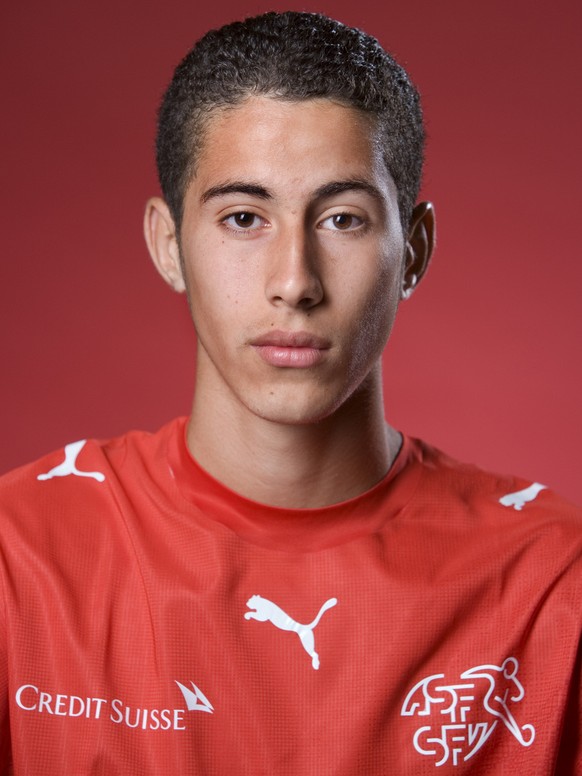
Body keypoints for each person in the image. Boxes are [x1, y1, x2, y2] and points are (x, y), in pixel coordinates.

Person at [0, 11, 579, 775]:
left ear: (414, 250)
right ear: (169, 245)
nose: (294, 282)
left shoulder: (554, 586)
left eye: (342, 219)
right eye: (244, 218)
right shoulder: (19, 561)